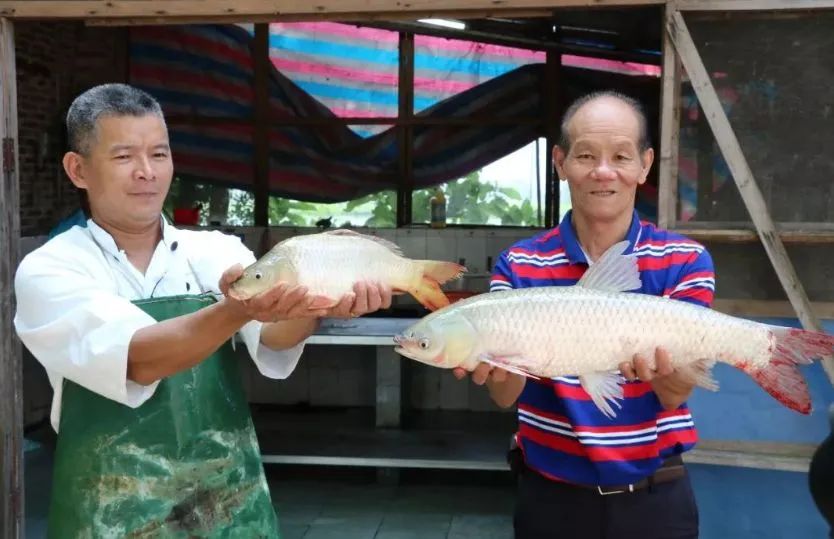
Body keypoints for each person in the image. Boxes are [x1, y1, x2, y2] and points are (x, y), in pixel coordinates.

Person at [14, 83, 392, 538]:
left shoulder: (215, 251)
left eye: (159, 154)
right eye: (123, 157)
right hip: (110, 515)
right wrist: (237, 309)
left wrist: (316, 305)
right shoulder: (51, 267)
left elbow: (275, 336)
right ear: (78, 169)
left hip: (227, 506)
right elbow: (138, 359)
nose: (146, 172)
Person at [456, 91, 715, 539]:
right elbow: (505, 396)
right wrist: (490, 362)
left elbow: (674, 394)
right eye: (586, 155)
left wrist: (663, 369)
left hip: (656, 502)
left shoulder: (684, 259)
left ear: (645, 164)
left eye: (621, 156)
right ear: (560, 162)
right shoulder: (519, 264)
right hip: (551, 502)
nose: (603, 171)